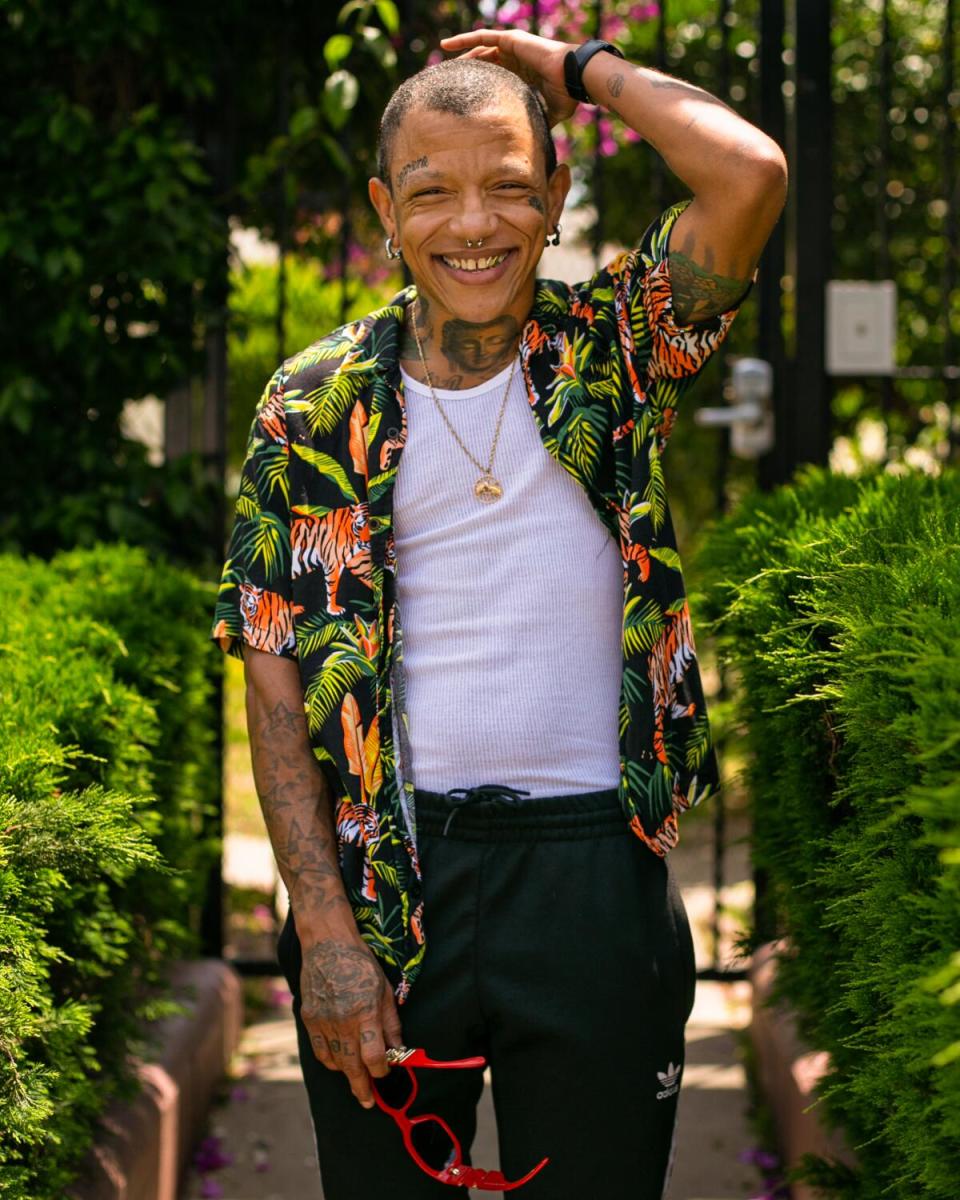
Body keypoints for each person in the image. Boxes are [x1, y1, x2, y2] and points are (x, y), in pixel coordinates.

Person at [211, 26, 786, 1200]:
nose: (473, 224)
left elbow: (750, 174)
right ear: (384, 206)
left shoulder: (615, 352)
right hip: (386, 878)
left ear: (558, 196)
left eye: (510, 188)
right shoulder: (312, 405)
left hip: (592, 869)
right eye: (433, 192)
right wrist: (324, 936)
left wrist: (574, 69)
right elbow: (274, 688)